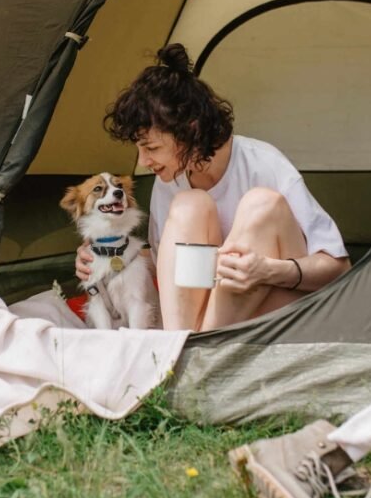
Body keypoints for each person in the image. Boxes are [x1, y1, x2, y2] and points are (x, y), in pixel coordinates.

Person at [76, 43, 351, 332]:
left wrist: (269, 270)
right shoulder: (169, 180)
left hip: (278, 310)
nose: (144, 161)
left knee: (261, 203)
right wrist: (104, 252)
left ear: (190, 130)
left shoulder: (264, 164)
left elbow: (338, 269)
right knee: (189, 204)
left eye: (152, 148)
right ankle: (189, 345)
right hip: (211, 320)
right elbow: (165, 267)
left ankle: (191, 349)